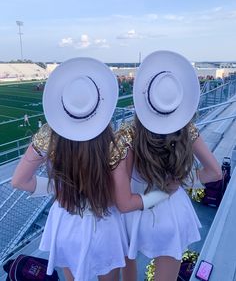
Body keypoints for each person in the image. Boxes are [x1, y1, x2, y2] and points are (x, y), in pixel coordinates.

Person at [11, 57, 168, 281]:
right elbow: (124, 202)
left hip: (66, 224)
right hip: (105, 226)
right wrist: (160, 194)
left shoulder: (49, 137)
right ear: (99, 104)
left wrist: (60, 187)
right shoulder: (114, 144)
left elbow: (19, 181)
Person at [112, 51, 222, 281]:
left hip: (135, 213)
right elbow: (215, 172)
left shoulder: (127, 133)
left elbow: (122, 202)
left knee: (128, 266)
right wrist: (179, 182)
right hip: (173, 213)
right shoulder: (187, 129)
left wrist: (159, 191)